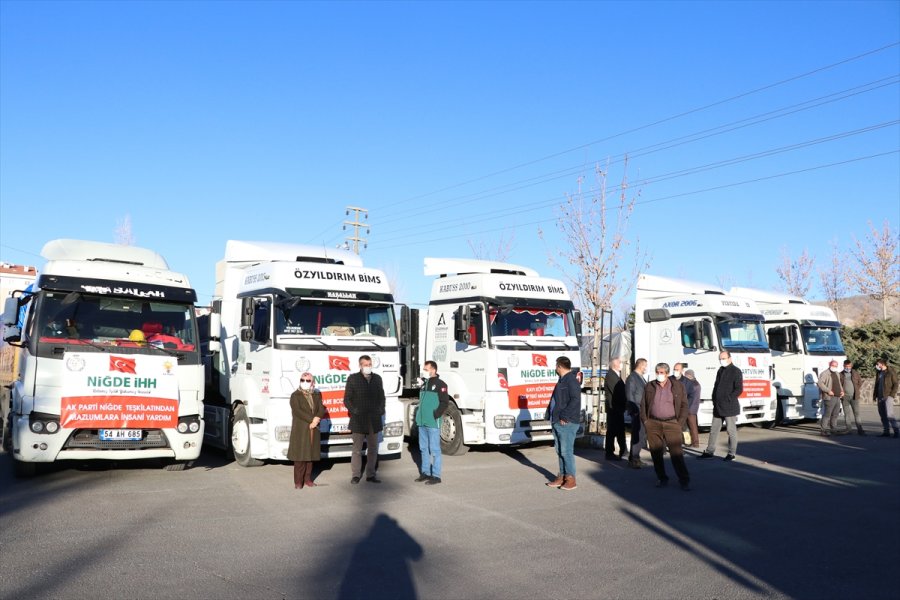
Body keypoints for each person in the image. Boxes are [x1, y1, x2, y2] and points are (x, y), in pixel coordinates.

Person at [641, 362, 690, 491]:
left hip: (672, 423)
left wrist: (679, 423)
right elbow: (643, 405)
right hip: (653, 423)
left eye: (662, 373)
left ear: (667, 374)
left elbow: (685, 405)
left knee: (676, 453)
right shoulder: (649, 386)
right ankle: (662, 478)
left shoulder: (678, 386)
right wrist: (646, 421)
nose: (659, 375)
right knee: (656, 453)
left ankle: (684, 480)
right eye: (657, 372)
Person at [343, 355, 386, 483]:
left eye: (369, 364)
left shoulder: (377, 378)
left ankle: (371, 475)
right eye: (365, 364)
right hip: (358, 420)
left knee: (373, 449)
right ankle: (356, 475)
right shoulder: (353, 379)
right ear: (360, 365)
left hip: (374, 419)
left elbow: (382, 397)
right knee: (357, 450)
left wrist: (380, 410)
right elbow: (347, 399)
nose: (368, 367)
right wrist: (355, 411)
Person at [545, 356, 582, 491]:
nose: (555, 369)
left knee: (566, 451)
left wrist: (564, 416)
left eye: (556, 366)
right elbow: (556, 401)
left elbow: (575, 400)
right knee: (560, 450)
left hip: (567, 422)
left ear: (559, 366)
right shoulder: (562, 380)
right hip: (557, 421)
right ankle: (562, 476)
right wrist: (549, 414)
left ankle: (571, 479)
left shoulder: (571, 380)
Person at [699, 351, 743, 462]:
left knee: (731, 430)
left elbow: (739, 389)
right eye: (720, 358)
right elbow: (716, 385)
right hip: (718, 405)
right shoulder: (720, 370)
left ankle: (731, 453)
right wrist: (714, 398)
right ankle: (709, 451)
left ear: (729, 358)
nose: (721, 360)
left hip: (729, 406)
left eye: (723, 358)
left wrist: (729, 398)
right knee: (714, 429)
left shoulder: (736, 371)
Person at [287, 372, 326, 489]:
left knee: (310, 457)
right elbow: (297, 411)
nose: (305, 382)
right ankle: (298, 482)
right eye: (302, 380)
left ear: (312, 382)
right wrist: (312, 420)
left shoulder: (316, 394)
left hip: (314, 429)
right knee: (300, 458)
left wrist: (317, 418)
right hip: (301, 429)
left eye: (308, 380)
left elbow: (321, 408)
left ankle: (308, 479)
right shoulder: (295, 395)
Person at [415, 360, 450, 485]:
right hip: (422, 422)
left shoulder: (441, 384)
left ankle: (436, 475)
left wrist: (436, 414)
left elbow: (444, 402)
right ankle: (425, 472)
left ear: (433, 370)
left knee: (434, 449)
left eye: (426, 369)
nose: (424, 371)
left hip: (433, 422)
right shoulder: (424, 384)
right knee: (423, 448)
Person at [603, 357, 628, 461]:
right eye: (620, 362)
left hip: (617, 408)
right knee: (613, 431)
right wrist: (626, 402)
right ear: (614, 365)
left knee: (618, 430)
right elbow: (617, 392)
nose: (621, 364)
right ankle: (610, 452)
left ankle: (623, 450)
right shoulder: (611, 375)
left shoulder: (616, 375)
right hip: (614, 408)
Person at [626, 358, 648, 468]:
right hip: (637, 410)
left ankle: (634, 458)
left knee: (639, 434)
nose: (646, 368)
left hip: (642, 410)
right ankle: (634, 460)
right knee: (637, 435)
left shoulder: (641, 377)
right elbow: (630, 395)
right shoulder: (632, 377)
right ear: (640, 365)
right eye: (645, 366)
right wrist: (634, 411)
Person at [817, 360, 844, 436]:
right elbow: (820, 383)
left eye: (836, 366)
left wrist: (842, 391)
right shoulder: (825, 373)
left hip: (837, 396)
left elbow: (839, 383)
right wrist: (828, 391)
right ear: (830, 365)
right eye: (833, 365)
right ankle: (823, 430)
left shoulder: (836, 373)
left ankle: (833, 429)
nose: (834, 367)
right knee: (827, 414)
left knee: (835, 414)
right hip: (829, 397)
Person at [873, 358, 899, 438]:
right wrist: (875, 395)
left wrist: (891, 395)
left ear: (882, 364)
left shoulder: (890, 372)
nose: (876, 365)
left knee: (889, 414)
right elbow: (877, 385)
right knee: (882, 414)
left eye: (878, 364)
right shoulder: (879, 373)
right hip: (880, 396)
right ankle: (886, 431)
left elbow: (896, 384)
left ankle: (896, 431)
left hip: (888, 396)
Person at [839, 359, 864, 435]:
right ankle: (848, 428)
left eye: (849, 366)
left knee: (857, 413)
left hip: (854, 397)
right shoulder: (840, 374)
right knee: (847, 414)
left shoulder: (855, 373)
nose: (848, 368)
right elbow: (839, 384)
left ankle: (860, 430)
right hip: (845, 397)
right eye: (846, 366)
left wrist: (856, 390)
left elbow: (860, 383)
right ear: (843, 366)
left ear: (851, 366)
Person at [683, 368, 702, 447]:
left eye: (686, 375)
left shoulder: (693, 384)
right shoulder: (696, 383)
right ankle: (690, 441)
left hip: (690, 408)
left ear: (689, 375)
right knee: (690, 426)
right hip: (693, 408)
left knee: (692, 426)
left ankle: (695, 443)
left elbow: (688, 396)